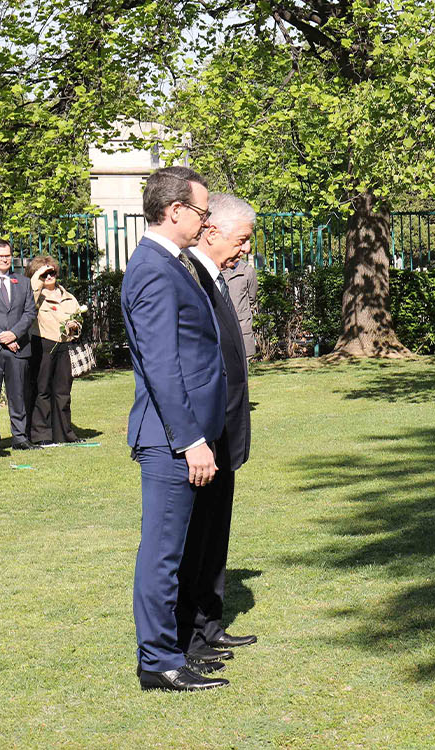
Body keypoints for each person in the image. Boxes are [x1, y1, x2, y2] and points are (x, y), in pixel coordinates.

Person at [123, 165, 230, 691]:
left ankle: (176, 645)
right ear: (174, 211)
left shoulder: (174, 263)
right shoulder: (152, 268)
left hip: (186, 433)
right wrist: (190, 440)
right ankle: (158, 660)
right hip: (170, 438)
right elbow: (163, 366)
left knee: (182, 550)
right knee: (163, 553)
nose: (205, 221)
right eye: (201, 212)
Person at [179, 193, 259, 664]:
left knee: (215, 535)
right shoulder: (190, 278)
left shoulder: (218, 277)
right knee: (195, 538)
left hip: (225, 429)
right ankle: (188, 636)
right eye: (241, 239)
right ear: (212, 232)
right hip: (203, 433)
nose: (245, 250)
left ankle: (209, 626)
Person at [28, 259, 82, 445]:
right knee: (42, 390)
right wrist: (38, 276)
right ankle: (41, 434)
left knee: (63, 392)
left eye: (53, 273)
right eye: (45, 274)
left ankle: (64, 433)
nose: (50, 277)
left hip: (64, 346)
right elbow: (29, 305)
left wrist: (75, 326)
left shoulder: (67, 296)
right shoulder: (35, 295)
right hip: (43, 344)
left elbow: (78, 316)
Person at [0, 239, 38, 451]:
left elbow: (30, 312)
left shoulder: (22, 282)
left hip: (18, 348)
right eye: (1, 256)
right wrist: (2, 337)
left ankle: (20, 438)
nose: (5, 259)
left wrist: (14, 334)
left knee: (18, 395)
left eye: (7, 255)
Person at [221, 249, 259, 361]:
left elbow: (252, 296)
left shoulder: (248, 271)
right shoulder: (221, 270)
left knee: (246, 357)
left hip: (243, 319)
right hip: (225, 319)